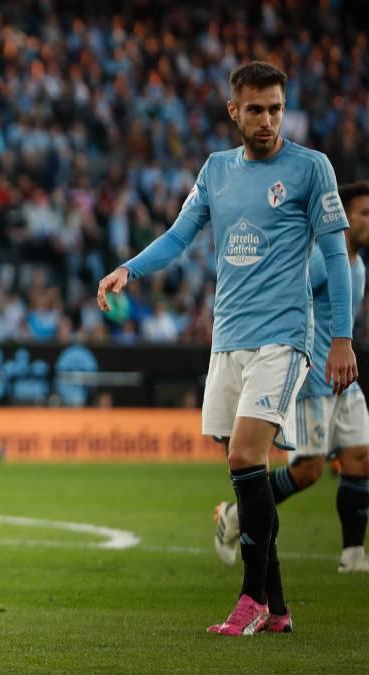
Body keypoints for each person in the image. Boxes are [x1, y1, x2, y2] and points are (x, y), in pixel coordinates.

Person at [97, 62, 357, 636]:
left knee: (245, 456)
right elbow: (180, 235)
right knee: (251, 474)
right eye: (256, 109)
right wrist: (129, 269)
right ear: (233, 112)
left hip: (282, 338)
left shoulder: (312, 169)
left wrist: (341, 338)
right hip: (228, 339)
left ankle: (250, 599)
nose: (267, 120)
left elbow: (336, 257)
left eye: (276, 108)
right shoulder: (215, 171)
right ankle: (279, 607)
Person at [214, 180, 369, 573]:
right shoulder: (319, 260)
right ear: (346, 219)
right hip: (314, 380)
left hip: (344, 382)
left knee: (361, 458)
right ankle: (235, 516)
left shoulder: (359, 266)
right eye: (365, 214)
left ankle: (353, 555)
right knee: (309, 471)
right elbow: (289, 299)